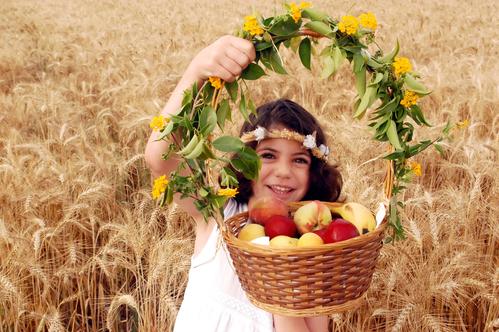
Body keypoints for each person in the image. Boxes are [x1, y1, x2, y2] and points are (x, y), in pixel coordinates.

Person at [145, 35, 342, 332]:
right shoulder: (218, 216)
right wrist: (197, 72)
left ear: (314, 171)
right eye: (268, 155)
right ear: (244, 161)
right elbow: (160, 158)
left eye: (299, 160)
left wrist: (281, 277)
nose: (283, 171)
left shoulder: (313, 251)